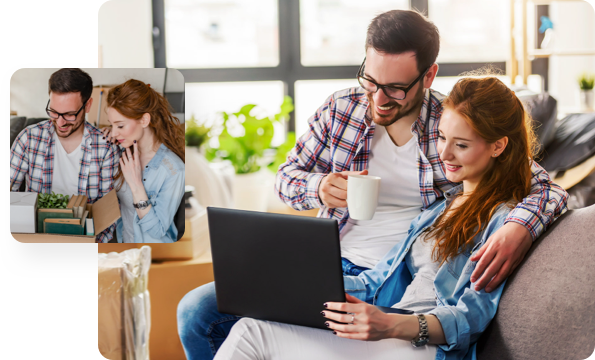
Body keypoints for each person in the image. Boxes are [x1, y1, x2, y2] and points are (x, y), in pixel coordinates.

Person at [176, 9, 568, 359]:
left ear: (428, 75)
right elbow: (285, 178)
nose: (378, 99)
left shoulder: (452, 122)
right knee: (198, 312)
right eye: (370, 80)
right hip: (336, 267)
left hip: (401, 281)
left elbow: (541, 185)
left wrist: (519, 227)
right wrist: (319, 188)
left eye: (395, 89)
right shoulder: (340, 109)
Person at [10, 68, 119, 243]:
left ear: (88, 105)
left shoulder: (105, 147)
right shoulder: (28, 138)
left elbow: (107, 212)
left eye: (69, 114)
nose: (60, 122)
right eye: (53, 111)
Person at [101, 79, 185, 243]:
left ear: (144, 120)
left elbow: (158, 231)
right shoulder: (122, 152)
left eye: (120, 125)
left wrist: (136, 185)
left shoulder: (174, 169)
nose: (114, 132)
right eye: (111, 125)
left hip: (155, 256)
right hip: (125, 251)